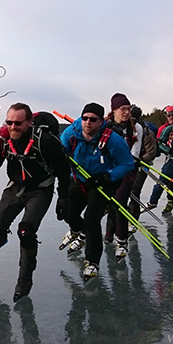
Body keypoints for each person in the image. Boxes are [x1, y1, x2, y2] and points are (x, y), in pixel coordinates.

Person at [0, 103, 71, 301]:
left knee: (26, 231)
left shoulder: (44, 142)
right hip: (15, 187)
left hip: (40, 190)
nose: (13, 127)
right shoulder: (4, 139)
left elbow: (63, 169)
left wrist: (63, 196)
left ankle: (24, 281)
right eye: (9, 122)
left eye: (18, 123)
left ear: (29, 122)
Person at [59, 103, 134, 279]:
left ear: (101, 122)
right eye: (85, 118)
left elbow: (127, 164)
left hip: (102, 183)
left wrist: (108, 176)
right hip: (79, 179)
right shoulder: (71, 133)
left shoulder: (113, 140)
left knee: (92, 219)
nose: (87, 122)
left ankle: (92, 262)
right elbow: (61, 154)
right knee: (68, 213)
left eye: (93, 119)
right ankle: (80, 230)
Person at [103, 94, 142, 260]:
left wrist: (128, 162)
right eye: (122, 109)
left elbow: (134, 153)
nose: (126, 112)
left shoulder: (136, 128)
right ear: (114, 110)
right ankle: (110, 232)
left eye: (128, 109)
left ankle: (121, 240)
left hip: (127, 169)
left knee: (119, 202)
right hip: (109, 170)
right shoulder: (106, 127)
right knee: (110, 202)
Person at [128, 104, 158, 222]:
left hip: (142, 166)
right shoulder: (123, 130)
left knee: (134, 191)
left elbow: (151, 152)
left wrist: (139, 160)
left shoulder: (146, 132)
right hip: (126, 165)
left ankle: (133, 220)